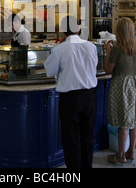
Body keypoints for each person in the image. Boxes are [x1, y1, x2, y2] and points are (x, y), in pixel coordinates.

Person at [44, 15, 98, 168]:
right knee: (87, 136)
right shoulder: (91, 46)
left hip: (70, 98)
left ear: (62, 31)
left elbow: (49, 70)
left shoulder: (60, 49)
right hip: (88, 96)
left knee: (71, 138)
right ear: (79, 29)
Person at [104, 17, 136, 164]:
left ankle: (120, 155)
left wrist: (108, 51)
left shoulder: (117, 48)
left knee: (123, 122)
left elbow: (108, 69)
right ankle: (131, 152)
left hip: (122, 85)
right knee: (135, 121)